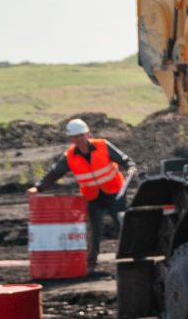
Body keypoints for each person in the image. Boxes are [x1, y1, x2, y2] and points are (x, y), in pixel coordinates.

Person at [34, 118, 133, 277]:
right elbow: (54, 173)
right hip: (93, 198)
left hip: (115, 193)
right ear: (71, 139)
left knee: (123, 225)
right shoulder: (70, 156)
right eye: (74, 137)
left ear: (87, 134)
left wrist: (130, 168)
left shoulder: (103, 145)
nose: (78, 139)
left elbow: (125, 160)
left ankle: (131, 259)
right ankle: (91, 265)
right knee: (93, 231)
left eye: (80, 135)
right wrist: (38, 187)